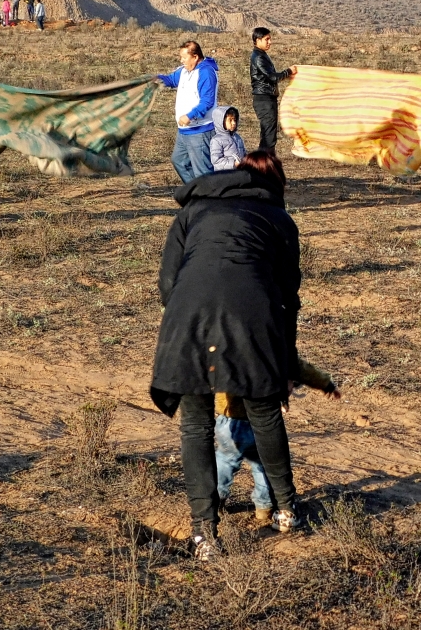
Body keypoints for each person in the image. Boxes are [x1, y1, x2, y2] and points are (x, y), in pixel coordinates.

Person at [150, 151, 304, 560]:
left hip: (188, 315)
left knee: (195, 425)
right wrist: (285, 364)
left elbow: (167, 282)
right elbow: (288, 297)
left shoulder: (191, 212)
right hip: (254, 318)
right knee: (265, 413)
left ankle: (204, 534)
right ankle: (287, 510)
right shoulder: (279, 219)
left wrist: (192, 324)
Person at [216, 356, 338, 524]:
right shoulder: (267, 342)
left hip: (229, 420)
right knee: (264, 463)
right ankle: (264, 507)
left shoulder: (226, 343)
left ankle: (215, 500)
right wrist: (325, 383)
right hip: (263, 422)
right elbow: (295, 365)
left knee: (225, 460)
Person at [158, 41, 219, 183]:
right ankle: (196, 194)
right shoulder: (185, 70)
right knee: (179, 161)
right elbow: (172, 80)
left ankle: (210, 200)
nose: (181, 60)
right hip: (184, 131)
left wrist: (190, 116)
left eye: (184, 58)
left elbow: (207, 101)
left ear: (195, 57)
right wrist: (157, 79)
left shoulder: (206, 73)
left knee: (202, 171)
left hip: (200, 130)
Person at [249, 27, 297, 151]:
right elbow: (272, 77)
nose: (270, 42)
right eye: (267, 39)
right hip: (264, 100)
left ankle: (264, 164)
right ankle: (264, 165)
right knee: (268, 137)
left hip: (266, 99)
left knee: (268, 135)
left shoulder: (261, 55)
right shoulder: (259, 57)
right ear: (258, 40)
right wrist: (288, 71)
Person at [209, 105, 246, 170]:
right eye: (230, 120)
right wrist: (234, 164)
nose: (233, 123)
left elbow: (243, 152)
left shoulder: (237, 137)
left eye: (234, 120)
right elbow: (216, 161)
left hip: (238, 172)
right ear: (221, 121)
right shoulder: (216, 140)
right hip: (225, 175)